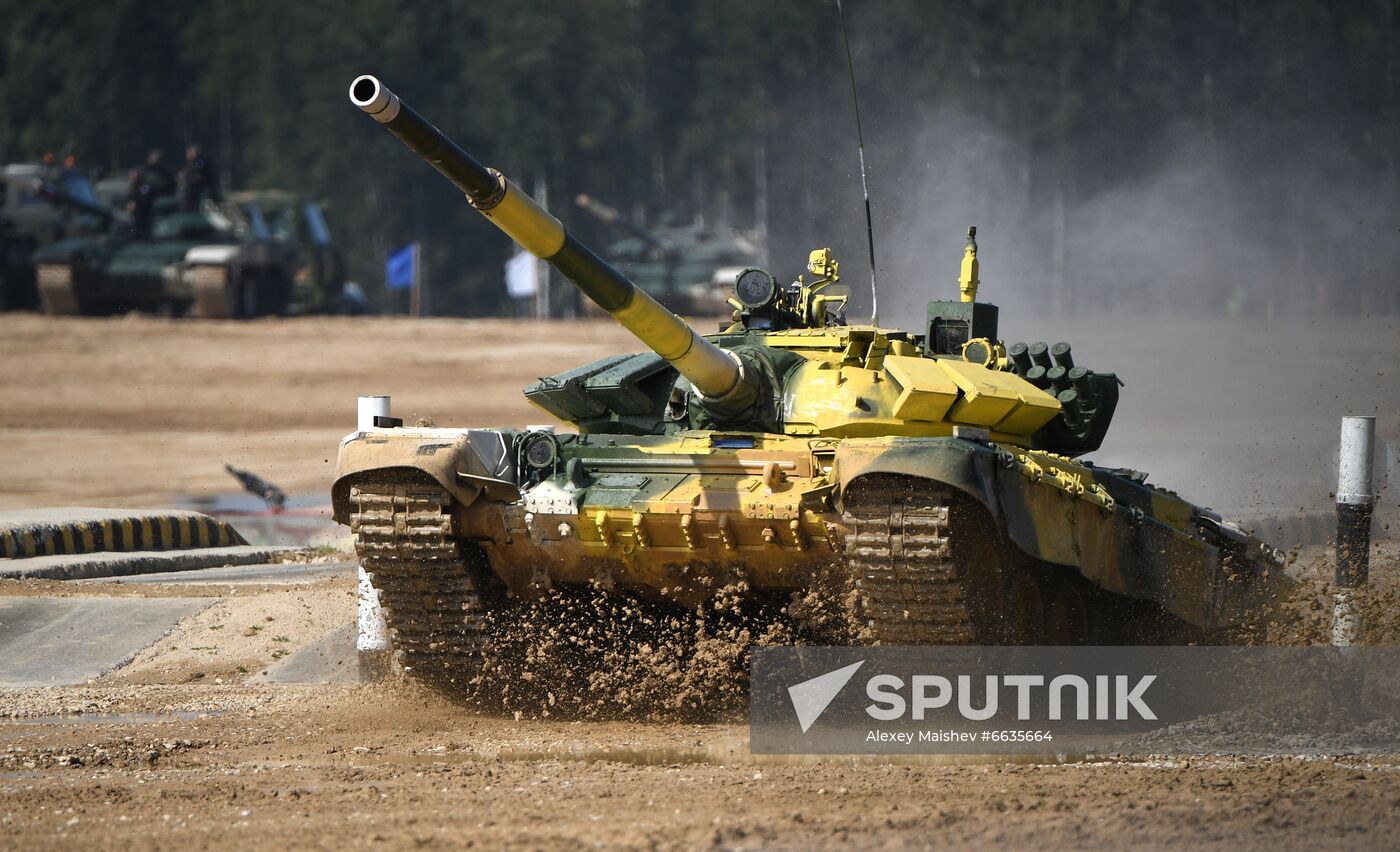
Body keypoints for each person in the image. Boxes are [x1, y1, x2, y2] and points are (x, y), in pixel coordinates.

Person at [177, 144, 219, 211]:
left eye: (190, 152)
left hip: (202, 192)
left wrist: (185, 177)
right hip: (194, 194)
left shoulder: (201, 161)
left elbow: (197, 177)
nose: (188, 154)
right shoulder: (193, 163)